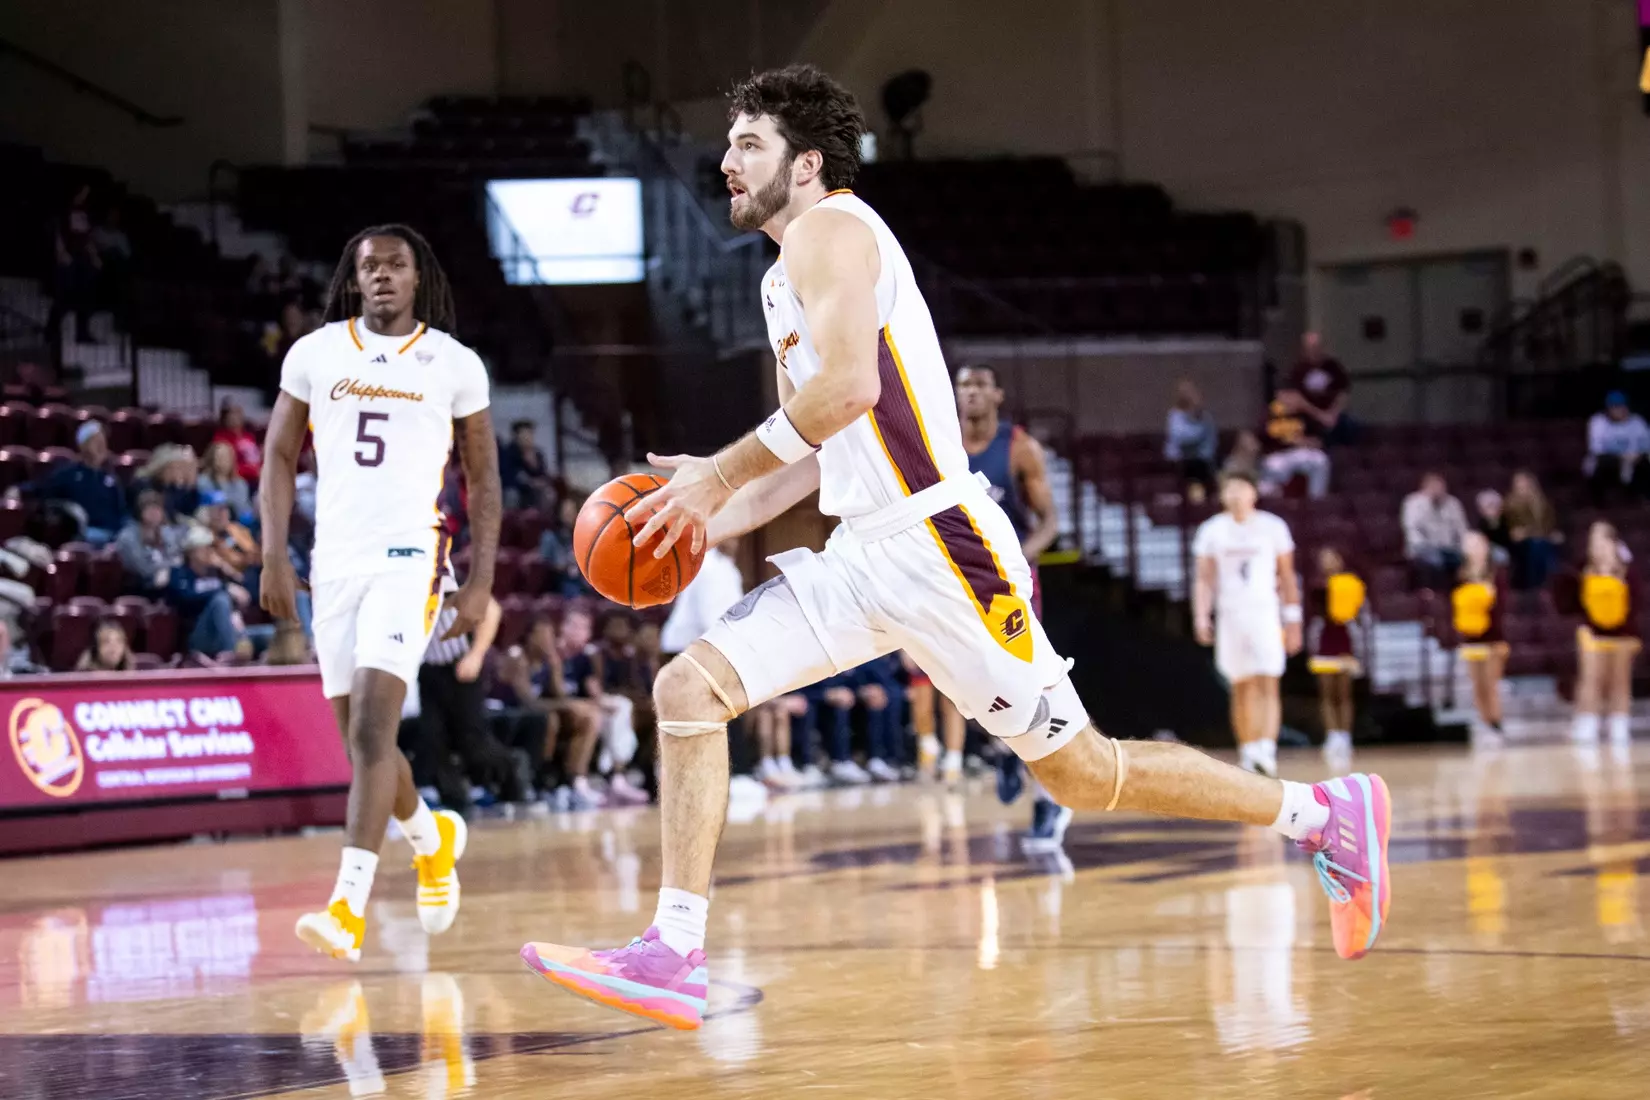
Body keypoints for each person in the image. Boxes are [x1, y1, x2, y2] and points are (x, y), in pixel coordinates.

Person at [520, 64, 1390, 1028]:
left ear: (806, 164)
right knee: (690, 687)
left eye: (749, 144)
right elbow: (817, 452)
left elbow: (845, 388)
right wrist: (695, 514)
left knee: (1086, 772)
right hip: (862, 554)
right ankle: (673, 950)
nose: (724, 160)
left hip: (940, 548)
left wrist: (716, 475)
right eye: (729, 144)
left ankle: (1323, 816)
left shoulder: (832, 229)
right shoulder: (785, 273)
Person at [258, 223, 502, 963]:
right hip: (333, 563)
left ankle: (346, 909)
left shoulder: (454, 363)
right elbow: (275, 453)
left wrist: (482, 578)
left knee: (370, 734)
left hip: (412, 557)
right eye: (372, 267)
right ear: (355, 278)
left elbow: (483, 478)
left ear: (417, 277)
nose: (385, 276)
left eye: (397, 265)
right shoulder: (316, 352)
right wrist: (273, 553)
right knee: (364, 745)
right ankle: (434, 842)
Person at [954, 361, 1068, 842]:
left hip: (1011, 586)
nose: (972, 394)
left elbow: (1049, 522)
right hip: (958, 585)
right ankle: (1003, 752)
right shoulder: (940, 444)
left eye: (981, 385)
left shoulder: (1019, 447)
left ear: (997, 395)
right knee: (966, 684)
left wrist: (1022, 554)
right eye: (964, 386)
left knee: (1029, 682)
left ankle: (1050, 800)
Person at [1193, 471, 1302, 779]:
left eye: (1241, 488)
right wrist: (1202, 615)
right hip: (1230, 615)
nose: (1236, 495)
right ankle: (1248, 749)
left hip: (1265, 613)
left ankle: (1267, 749)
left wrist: (1293, 619)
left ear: (1253, 493)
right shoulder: (1212, 530)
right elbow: (1204, 579)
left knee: (1268, 680)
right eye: (1230, 489)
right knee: (1240, 685)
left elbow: (1287, 576)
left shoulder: (1273, 527)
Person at [417, 596, 527, 812]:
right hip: (429, 670)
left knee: (474, 742)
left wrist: (476, 654)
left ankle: (512, 772)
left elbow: (491, 609)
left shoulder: (445, 576)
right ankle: (455, 800)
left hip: (460, 667)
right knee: (432, 739)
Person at [495, 615, 605, 809]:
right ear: (529, 637)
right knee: (550, 719)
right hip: (506, 715)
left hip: (536, 715)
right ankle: (542, 781)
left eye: (551, 635)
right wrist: (566, 706)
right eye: (543, 634)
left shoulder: (548, 661)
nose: (548, 639)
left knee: (587, 718)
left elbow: (560, 695)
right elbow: (526, 702)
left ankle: (574, 782)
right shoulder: (517, 657)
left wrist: (556, 669)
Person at [1572, 520, 1639, 747]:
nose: (1597, 546)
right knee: (1592, 676)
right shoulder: (1584, 568)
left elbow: (1636, 603)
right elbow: (1572, 601)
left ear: (1613, 543)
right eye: (1594, 541)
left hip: (1621, 632)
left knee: (1620, 679)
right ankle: (1588, 720)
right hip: (1593, 632)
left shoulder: (1627, 571)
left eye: (1602, 540)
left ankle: (1619, 722)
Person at [1308, 548, 1366, 763]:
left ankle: (1345, 735)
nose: (1328, 561)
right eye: (1324, 558)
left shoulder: (1350, 584)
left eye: (1332, 557)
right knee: (1327, 693)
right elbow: (1316, 612)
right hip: (1324, 642)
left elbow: (1357, 613)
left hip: (1344, 641)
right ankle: (1332, 735)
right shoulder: (1317, 586)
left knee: (1344, 693)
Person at [1451, 531, 1509, 743]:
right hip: (1471, 640)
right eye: (1469, 545)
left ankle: (1496, 723)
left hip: (1493, 639)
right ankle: (1484, 723)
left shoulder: (1495, 574)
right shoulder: (1461, 574)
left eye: (1477, 545)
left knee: (1491, 683)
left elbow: (1500, 606)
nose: (1473, 549)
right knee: (1477, 685)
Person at [32, 421, 127, 547]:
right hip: (83, 535)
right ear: (83, 446)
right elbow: (41, 490)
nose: (101, 446)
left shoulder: (111, 478)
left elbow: (122, 512)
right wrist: (18, 490)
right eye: (95, 441)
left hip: (113, 537)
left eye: (103, 441)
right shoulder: (68, 474)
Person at [169, 526, 251, 657]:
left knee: (270, 635)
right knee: (220, 600)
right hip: (198, 635)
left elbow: (245, 592)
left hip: (230, 631)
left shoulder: (216, 572)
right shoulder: (179, 573)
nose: (209, 552)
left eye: (210, 547)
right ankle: (231, 658)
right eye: (204, 548)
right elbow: (186, 598)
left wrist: (226, 569)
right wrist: (225, 589)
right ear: (192, 552)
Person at [1280, 331, 1352, 446]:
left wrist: (1333, 414)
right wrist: (1320, 416)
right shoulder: (1297, 371)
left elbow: (1342, 393)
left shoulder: (1333, 367)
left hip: (1332, 416)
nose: (1314, 351)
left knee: (1351, 427)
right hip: (1308, 418)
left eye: (1317, 347)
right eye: (1310, 348)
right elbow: (1293, 399)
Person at [1402, 471, 1468, 590]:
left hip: (1450, 547)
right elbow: (1412, 530)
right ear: (1425, 488)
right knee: (1436, 560)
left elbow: (1462, 529)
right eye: (1433, 487)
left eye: (1440, 487)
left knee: (1466, 558)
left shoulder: (1453, 503)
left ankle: (1460, 593)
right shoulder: (1413, 503)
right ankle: (1436, 595)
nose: (1438, 490)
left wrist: (1464, 547)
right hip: (1423, 548)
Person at [1258, 392, 1331, 499]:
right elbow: (1260, 440)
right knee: (1273, 465)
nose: (1289, 400)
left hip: (1301, 453)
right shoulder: (1270, 414)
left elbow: (1319, 441)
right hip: (1277, 455)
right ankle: (1276, 500)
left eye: (1292, 396)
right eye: (1285, 397)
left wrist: (1303, 441)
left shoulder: (1305, 414)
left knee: (1320, 460)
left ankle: (1317, 500)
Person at [1585, 391, 1650, 505]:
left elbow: (1646, 445)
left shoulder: (1637, 421)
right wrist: (1622, 457)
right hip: (1609, 461)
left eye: (1621, 407)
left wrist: (1635, 456)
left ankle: (1639, 499)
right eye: (1614, 407)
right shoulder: (1598, 422)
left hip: (1634, 460)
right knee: (1604, 463)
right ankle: (1601, 503)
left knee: (1644, 463)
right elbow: (1596, 449)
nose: (1619, 410)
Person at [115, 489, 183, 593]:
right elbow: (142, 568)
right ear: (140, 512)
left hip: (167, 580)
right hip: (139, 585)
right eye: (150, 509)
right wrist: (165, 569)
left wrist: (167, 571)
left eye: (158, 509)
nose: (155, 513)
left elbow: (178, 559)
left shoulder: (166, 532)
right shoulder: (128, 536)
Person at [1503, 470, 1561, 591]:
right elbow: (1510, 529)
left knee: (1547, 544)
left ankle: (1552, 583)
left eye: (1525, 485)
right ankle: (1536, 585)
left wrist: (1548, 533)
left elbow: (1549, 524)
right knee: (1537, 545)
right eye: (1519, 485)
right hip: (1518, 543)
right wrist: (1525, 532)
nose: (1522, 488)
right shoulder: (1509, 506)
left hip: (1541, 538)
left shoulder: (1542, 504)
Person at [1163, 378, 1219, 502]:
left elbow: (1211, 441)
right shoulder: (1175, 415)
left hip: (1202, 461)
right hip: (1182, 461)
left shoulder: (1205, 416)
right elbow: (1181, 437)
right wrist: (1196, 424)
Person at [135, 443, 202, 524]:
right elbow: (155, 515)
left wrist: (191, 486)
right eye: (176, 467)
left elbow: (189, 510)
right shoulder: (144, 484)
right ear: (162, 467)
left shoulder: (173, 486)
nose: (180, 472)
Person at [500, 419, 555, 510]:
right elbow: (508, 476)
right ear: (516, 436)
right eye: (524, 434)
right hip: (515, 489)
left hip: (534, 490)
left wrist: (534, 465)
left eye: (530, 434)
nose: (527, 438)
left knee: (548, 493)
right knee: (511, 495)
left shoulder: (537, 454)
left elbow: (543, 474)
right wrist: (529, 482)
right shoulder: (508, 452)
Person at [199, 441, 254, 521]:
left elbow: (244, 509)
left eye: (227, 457)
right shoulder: (204, 481)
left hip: (238, 525)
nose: (224, 461)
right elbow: (208, 506)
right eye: (220, 457)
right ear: (212, 459)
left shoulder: (241, 484)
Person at [214, 399, 264, 484]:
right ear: (225, 417)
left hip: (258, 477)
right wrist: (254, 472)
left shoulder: (248, 436)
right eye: (232, 413)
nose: (235, 417)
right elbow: (227, 466)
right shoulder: (221, 438)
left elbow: (256, 459)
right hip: (238, 480)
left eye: (238, 412)